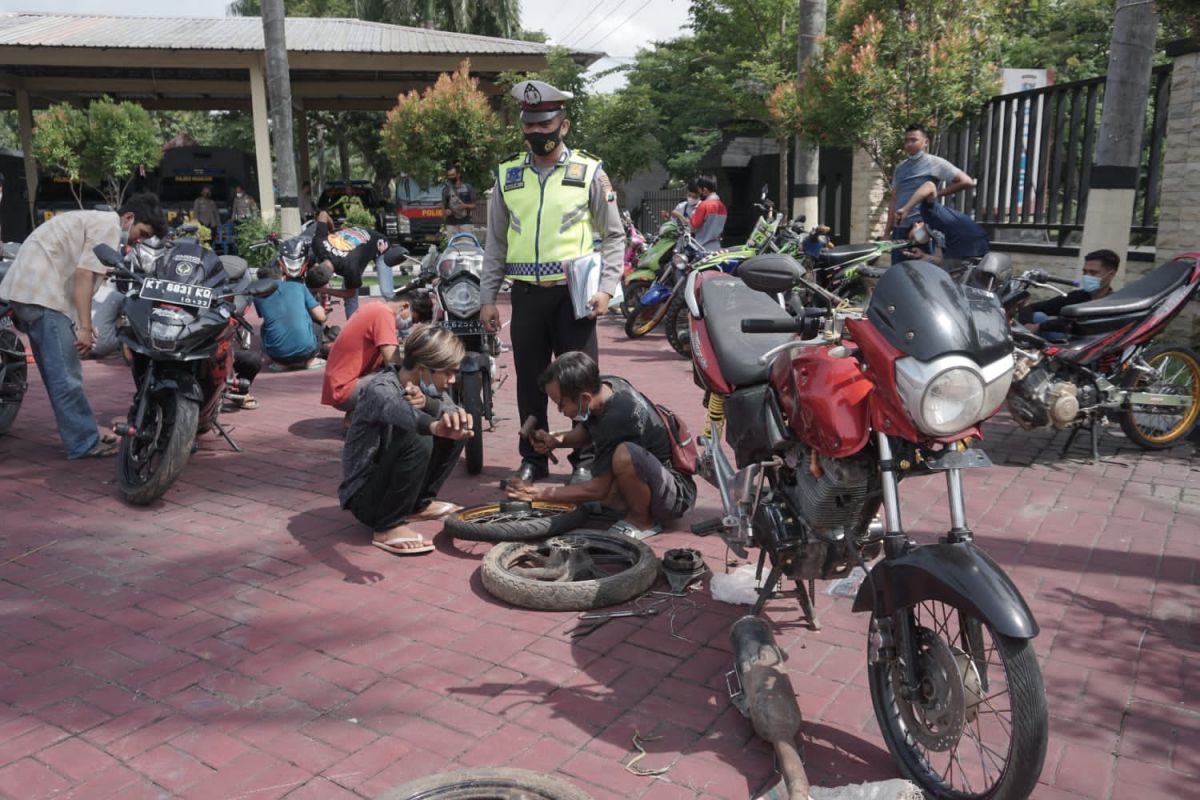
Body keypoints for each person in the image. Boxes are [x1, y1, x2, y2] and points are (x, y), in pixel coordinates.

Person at [480, 79, 624, 484]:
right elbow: (495, 241)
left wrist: (607, 288)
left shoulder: (589, 173)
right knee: (529, 380)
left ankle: (584, 458)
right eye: (530, 127)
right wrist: (487, 296)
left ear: (564, 125)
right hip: (525, 297)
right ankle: (534, 458)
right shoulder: (507, 175)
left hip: (575, 297)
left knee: (579, 383)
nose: (537, 134)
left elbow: (614, 235)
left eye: (546, 126)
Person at [0, 194, 165, 458]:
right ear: (129, 218)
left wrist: (80, 322)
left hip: (29, 293)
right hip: (43, 296)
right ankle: (83, 443)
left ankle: (79, 435)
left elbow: (77, 276)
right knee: (66, 377)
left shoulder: (91, 219)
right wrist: (85, 328)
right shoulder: (109, 225)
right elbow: (84, 275)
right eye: (141, 232)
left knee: (58, 375)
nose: (139, 240)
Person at [507, 352, 696, 539]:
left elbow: (598, 488)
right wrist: (557, 440)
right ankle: (621, 502)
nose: (560, 411)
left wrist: (537, 493)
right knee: (601, 474)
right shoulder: (605, 387)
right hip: (655, 478)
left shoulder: (618, 416)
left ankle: (642, 521)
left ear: (584, 399)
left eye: (561, 404)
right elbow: (589, 430)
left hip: (674, 495)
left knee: (623, 456)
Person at [339, 324, 474, 555]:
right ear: (423, 369)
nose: (452, 380)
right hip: (366, 499)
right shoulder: (379, 388)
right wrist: (433, 425)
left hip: (390, 485)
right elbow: (397, 410)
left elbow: (449, 408)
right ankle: (387, 527)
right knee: (421, 435)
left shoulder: (429, 386)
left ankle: (419, 504)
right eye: (448, 372)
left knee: (454, 426)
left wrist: (434, 408)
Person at [321, 289, 429, 414]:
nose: (409, 325)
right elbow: (394, 363)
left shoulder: (374, 307)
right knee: (398, 378)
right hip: (344, 390)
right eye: (413, 320)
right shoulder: (383, 314)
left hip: (338, 385)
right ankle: (363, 420)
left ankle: (356, 414)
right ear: (405, 306)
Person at [889, 124, 975, 263]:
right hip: (899, 228)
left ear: (925, 142)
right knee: (898, 272)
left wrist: (935, 194)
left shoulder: (935, 163)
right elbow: (894, 199)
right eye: (906, 140)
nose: (909, 144)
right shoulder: (900, 167)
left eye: (913, 140)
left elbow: (966, 181)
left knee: (922, 274)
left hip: (922, 227)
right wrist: (888, 231)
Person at [1018, 249, 1120, 341]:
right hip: (1065, 348)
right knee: (1038, 316)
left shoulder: (1114, 305)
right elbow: (1032, 308)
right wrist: (1027, 325)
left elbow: (1082, 326)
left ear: (1111, 275)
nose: (1087, 276)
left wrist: (1039, 327)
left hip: (1093, 350)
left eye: (1093, 273)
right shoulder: (1076, 297)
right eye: (1085, 272)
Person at [310, 209, 394, 319]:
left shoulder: (350, 267)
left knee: (387, 291)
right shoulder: (318, 243)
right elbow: (323, 214)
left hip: (381, 245)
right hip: (359, 244)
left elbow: (350, 293)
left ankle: (405, 332)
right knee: (349, 288)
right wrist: (332, 230)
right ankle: (353, 327)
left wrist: (323, 290)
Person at [898, 180, 989, 272]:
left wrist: (906, 208)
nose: (915, 240)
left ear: (916, 224)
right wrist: (924, 256)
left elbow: (929, 185)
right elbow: (940, 261)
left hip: (969, 245)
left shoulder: (929, 213)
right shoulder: (938, 235)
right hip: (976, 248)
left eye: (913, 237)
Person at [254, 261, 332, 370]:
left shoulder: (258, 295)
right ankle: (311, 360)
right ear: (282, 277)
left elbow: (267, 315)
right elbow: (321, 316)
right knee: (316, 321)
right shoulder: (298, 287)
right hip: (306, 352)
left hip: (277, 357)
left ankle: (280, 364)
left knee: (265, 326)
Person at [689, 175, 727, 251]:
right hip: (716, 247)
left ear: (705, 189)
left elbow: (693, 227)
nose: (699, 193)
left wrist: (692, 214)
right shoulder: (722, 206)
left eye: (699, 190)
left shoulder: (704, 205)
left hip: (702, 247)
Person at [442, 163, 476, 237]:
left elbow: (474, 206)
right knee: (453, 247)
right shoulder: (446, 190)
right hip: (451, 224)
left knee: (466, 246)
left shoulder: (468, 188)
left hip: (465, 223)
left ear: (458, 175)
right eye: (449, 175)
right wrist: (446, 212)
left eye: (453, 175)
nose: (451, 177)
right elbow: (443, 209)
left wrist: (465, 206)